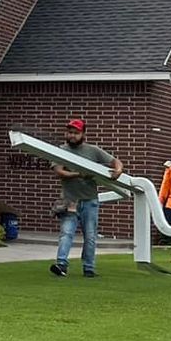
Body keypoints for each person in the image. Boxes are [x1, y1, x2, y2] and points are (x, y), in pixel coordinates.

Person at [49, 117, 124, 277]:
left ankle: (89, 268)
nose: (72, 136)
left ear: (83, 134)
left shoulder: (93, 150)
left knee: (90, 236)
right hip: (70, 201)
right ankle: (61, 265)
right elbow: (59, 172)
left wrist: (118, 170)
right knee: (66, 233)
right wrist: (79, 174)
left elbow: (115, 161)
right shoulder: (61, 150)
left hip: (90, 201)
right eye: (69, 132)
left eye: (76, 133)